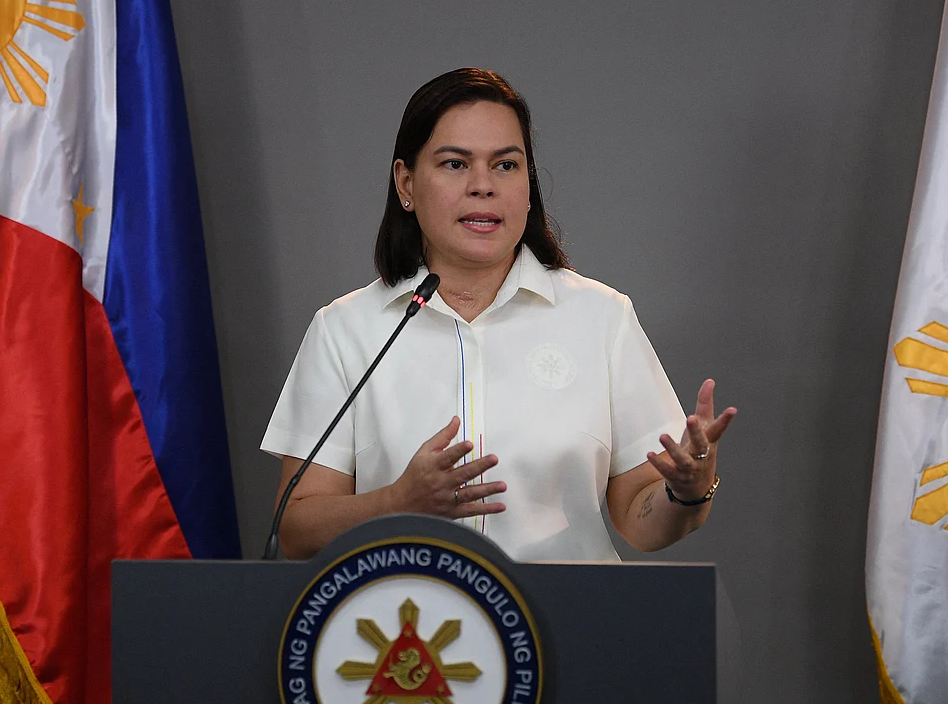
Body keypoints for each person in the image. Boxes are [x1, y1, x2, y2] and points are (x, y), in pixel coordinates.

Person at [260, 68, 736, 561]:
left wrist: (686, 492)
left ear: (528, 187)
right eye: (455, 164)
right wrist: (396, 504)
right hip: (410, 610)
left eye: (506, 165)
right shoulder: (345, 331)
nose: (483, 185)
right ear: (406, 183)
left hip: (565, 609)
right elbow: (295, 529)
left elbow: (641, 522)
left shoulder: (601, 319)